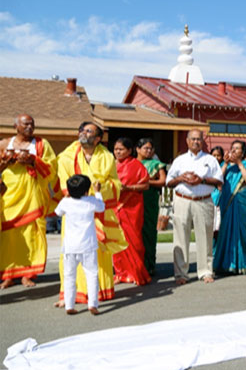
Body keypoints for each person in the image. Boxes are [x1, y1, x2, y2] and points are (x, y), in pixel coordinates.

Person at [56, 122, 128, 305]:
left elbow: (115, 183)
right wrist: (80, 193)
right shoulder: (66, 156)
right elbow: (64, 184)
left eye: (88, 131)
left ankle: (99, 293)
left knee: (97, 255)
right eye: (82, 130)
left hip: (96, 212)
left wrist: (99, 189)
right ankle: (69, 296)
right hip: (75, 213)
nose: (83, 133)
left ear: (97, 139)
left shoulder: (107, 157)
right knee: (70, 258)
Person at [0, 114, 57, 289]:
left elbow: (52, 168)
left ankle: (27, 274)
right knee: (8, 236)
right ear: (15, 126)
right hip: (8, 195)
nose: (30, 127)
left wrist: (33, 160)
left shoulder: (41, 144)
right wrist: (4, 163)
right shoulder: (3, 144)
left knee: (32, 235)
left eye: (32, 124)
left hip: (33, 195)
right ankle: (8, 275)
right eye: (26, 124)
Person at [165, 129, 223, 285]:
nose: (196, 142)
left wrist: (201, 180)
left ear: (203, 141)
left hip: (203, 200)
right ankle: (181, 274)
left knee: (205, 237)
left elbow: (219, 181)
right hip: (182, 200)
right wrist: (181, 178)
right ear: (187, 141)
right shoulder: (180, 160)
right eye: (193, 139)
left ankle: (205, 271)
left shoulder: (210, 160)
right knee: (180, 237)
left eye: (199, 139)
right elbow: (168, 182)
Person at [54, 175, 104, 315]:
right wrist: (98, 191)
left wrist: (67, 199)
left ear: (69, 191)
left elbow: (58, 212)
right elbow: (101, 207)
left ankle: (69, 305)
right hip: (88, 245)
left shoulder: (65, 202)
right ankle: (92, 304)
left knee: (69, 275)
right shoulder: (91, 201)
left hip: (70, 246)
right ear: (87, 191)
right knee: (92, 274)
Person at [214, 140, 246, 275]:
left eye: (237, 148)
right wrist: (227, 163)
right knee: (225, 231)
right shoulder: (225, 165)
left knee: (242, 231)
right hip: (227, 201)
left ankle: (244, 263)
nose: (233, 150)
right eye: (232, 148)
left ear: (243, 152)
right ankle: (225, 263)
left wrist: (239, 163)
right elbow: (217, 180)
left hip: (242, 201)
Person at [112, 138, 151, 286]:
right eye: (116, 149)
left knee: (133, 241)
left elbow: (145, 185)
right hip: (115, 207)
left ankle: (136, 273)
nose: (117, 152)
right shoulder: (111, 165)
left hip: (132, 207)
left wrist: (129, 188)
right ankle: (120, 273)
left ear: (129, 151)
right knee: (117, 241)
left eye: (121, 149)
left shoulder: (136, 165)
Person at [137, 138, 166, 277]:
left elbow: (162, 181)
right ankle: (134, 266)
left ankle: (149, 265)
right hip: (133, 200)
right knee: (134, 233)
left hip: (149, 200)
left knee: (148, 232)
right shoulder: (131, 164)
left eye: (150, 149)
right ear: (137, 149)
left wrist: (146, 181)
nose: (148, 151)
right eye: (145, 148)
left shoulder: (156, 164)